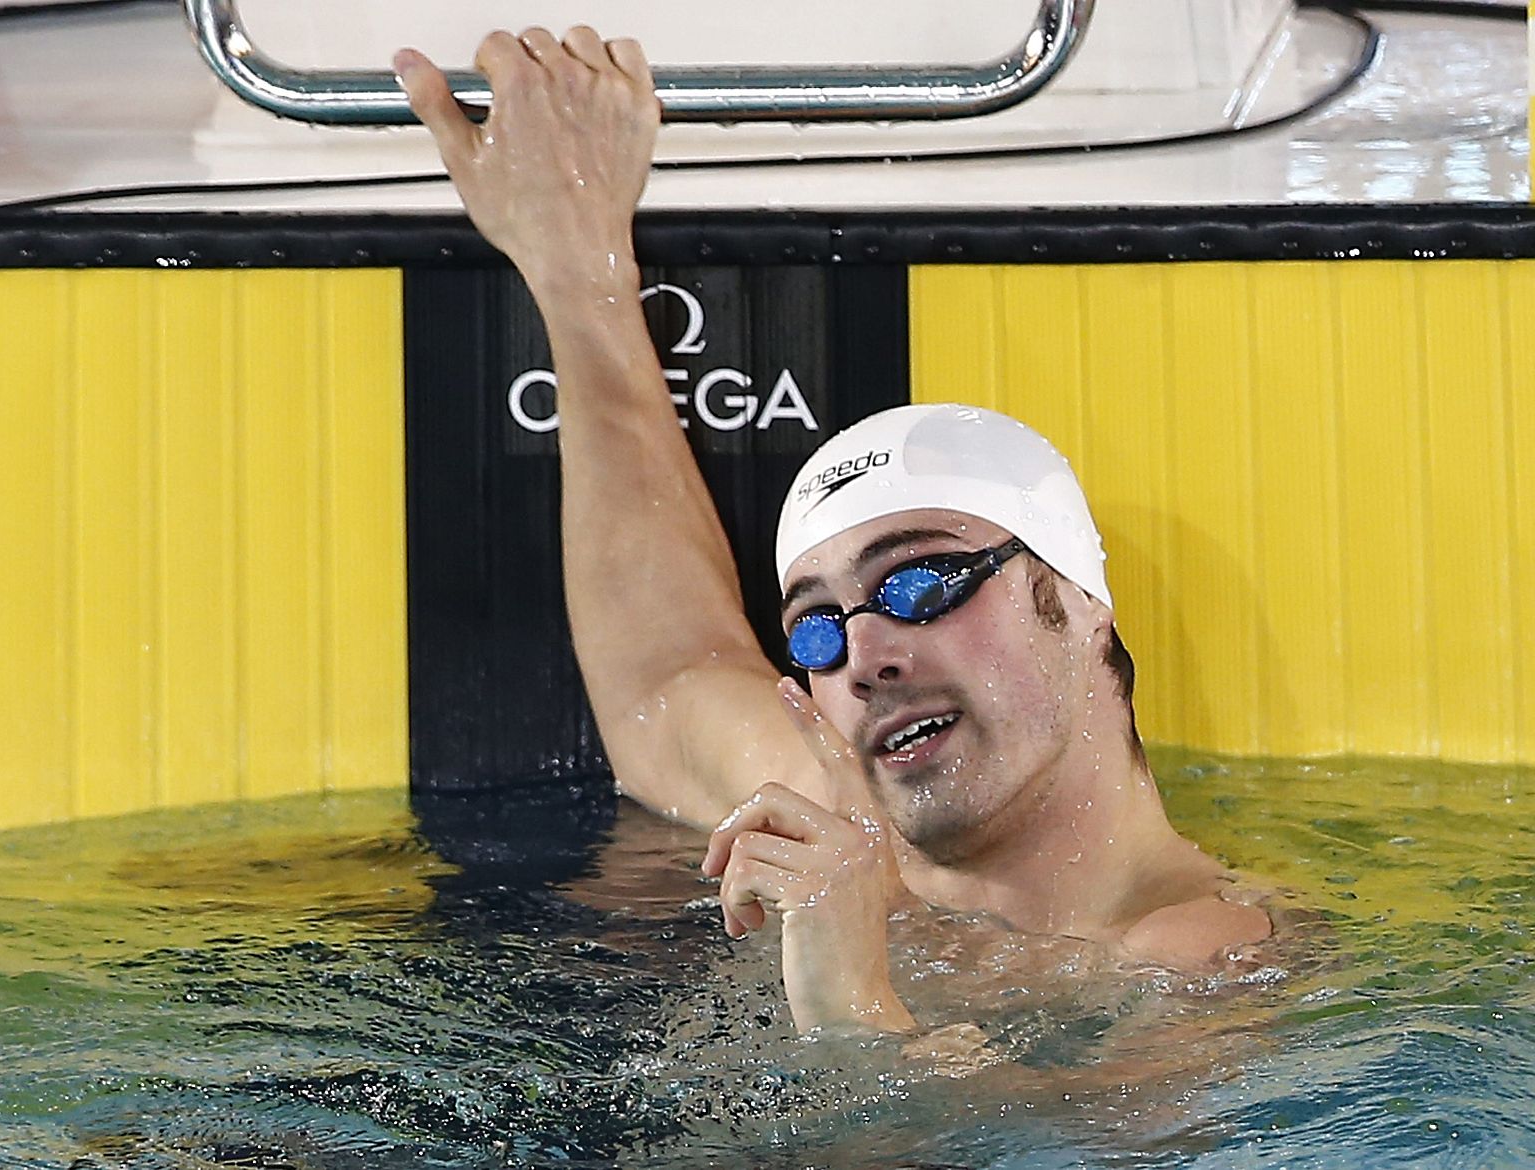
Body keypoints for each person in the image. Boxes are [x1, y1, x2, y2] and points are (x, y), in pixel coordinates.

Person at [392, 29, 1273, 1036]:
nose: (862, 657)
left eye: (921, 586)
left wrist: (849, 998)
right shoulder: (839, 809)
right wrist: (570, 255)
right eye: (816, 628)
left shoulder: (1205, 952)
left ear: (1075, 603)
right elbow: (665, 681)